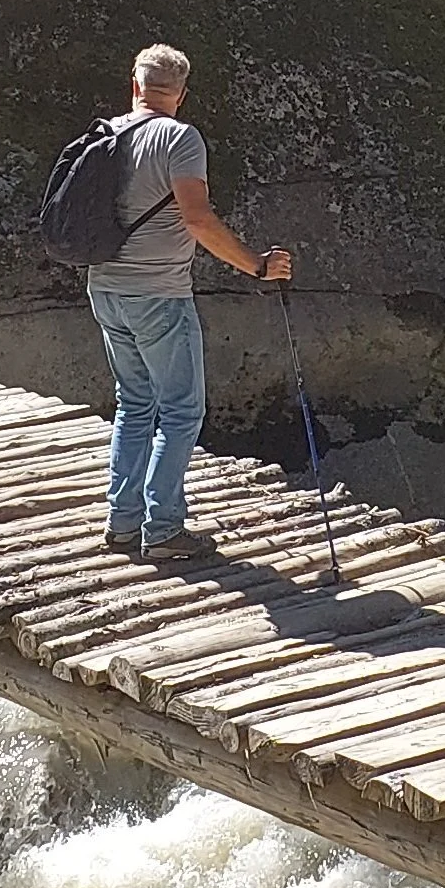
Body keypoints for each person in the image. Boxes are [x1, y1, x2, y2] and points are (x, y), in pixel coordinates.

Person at [87, 44, 290, 562]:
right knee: (180, 410)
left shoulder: (107, 135)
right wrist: (256, 265)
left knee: (133, 403)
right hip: (158, 294)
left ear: (134, 86)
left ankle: (122, 521)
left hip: (105, 288)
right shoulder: (181, 139)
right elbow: (197, 219)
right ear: (181, 93)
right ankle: (164, 529)